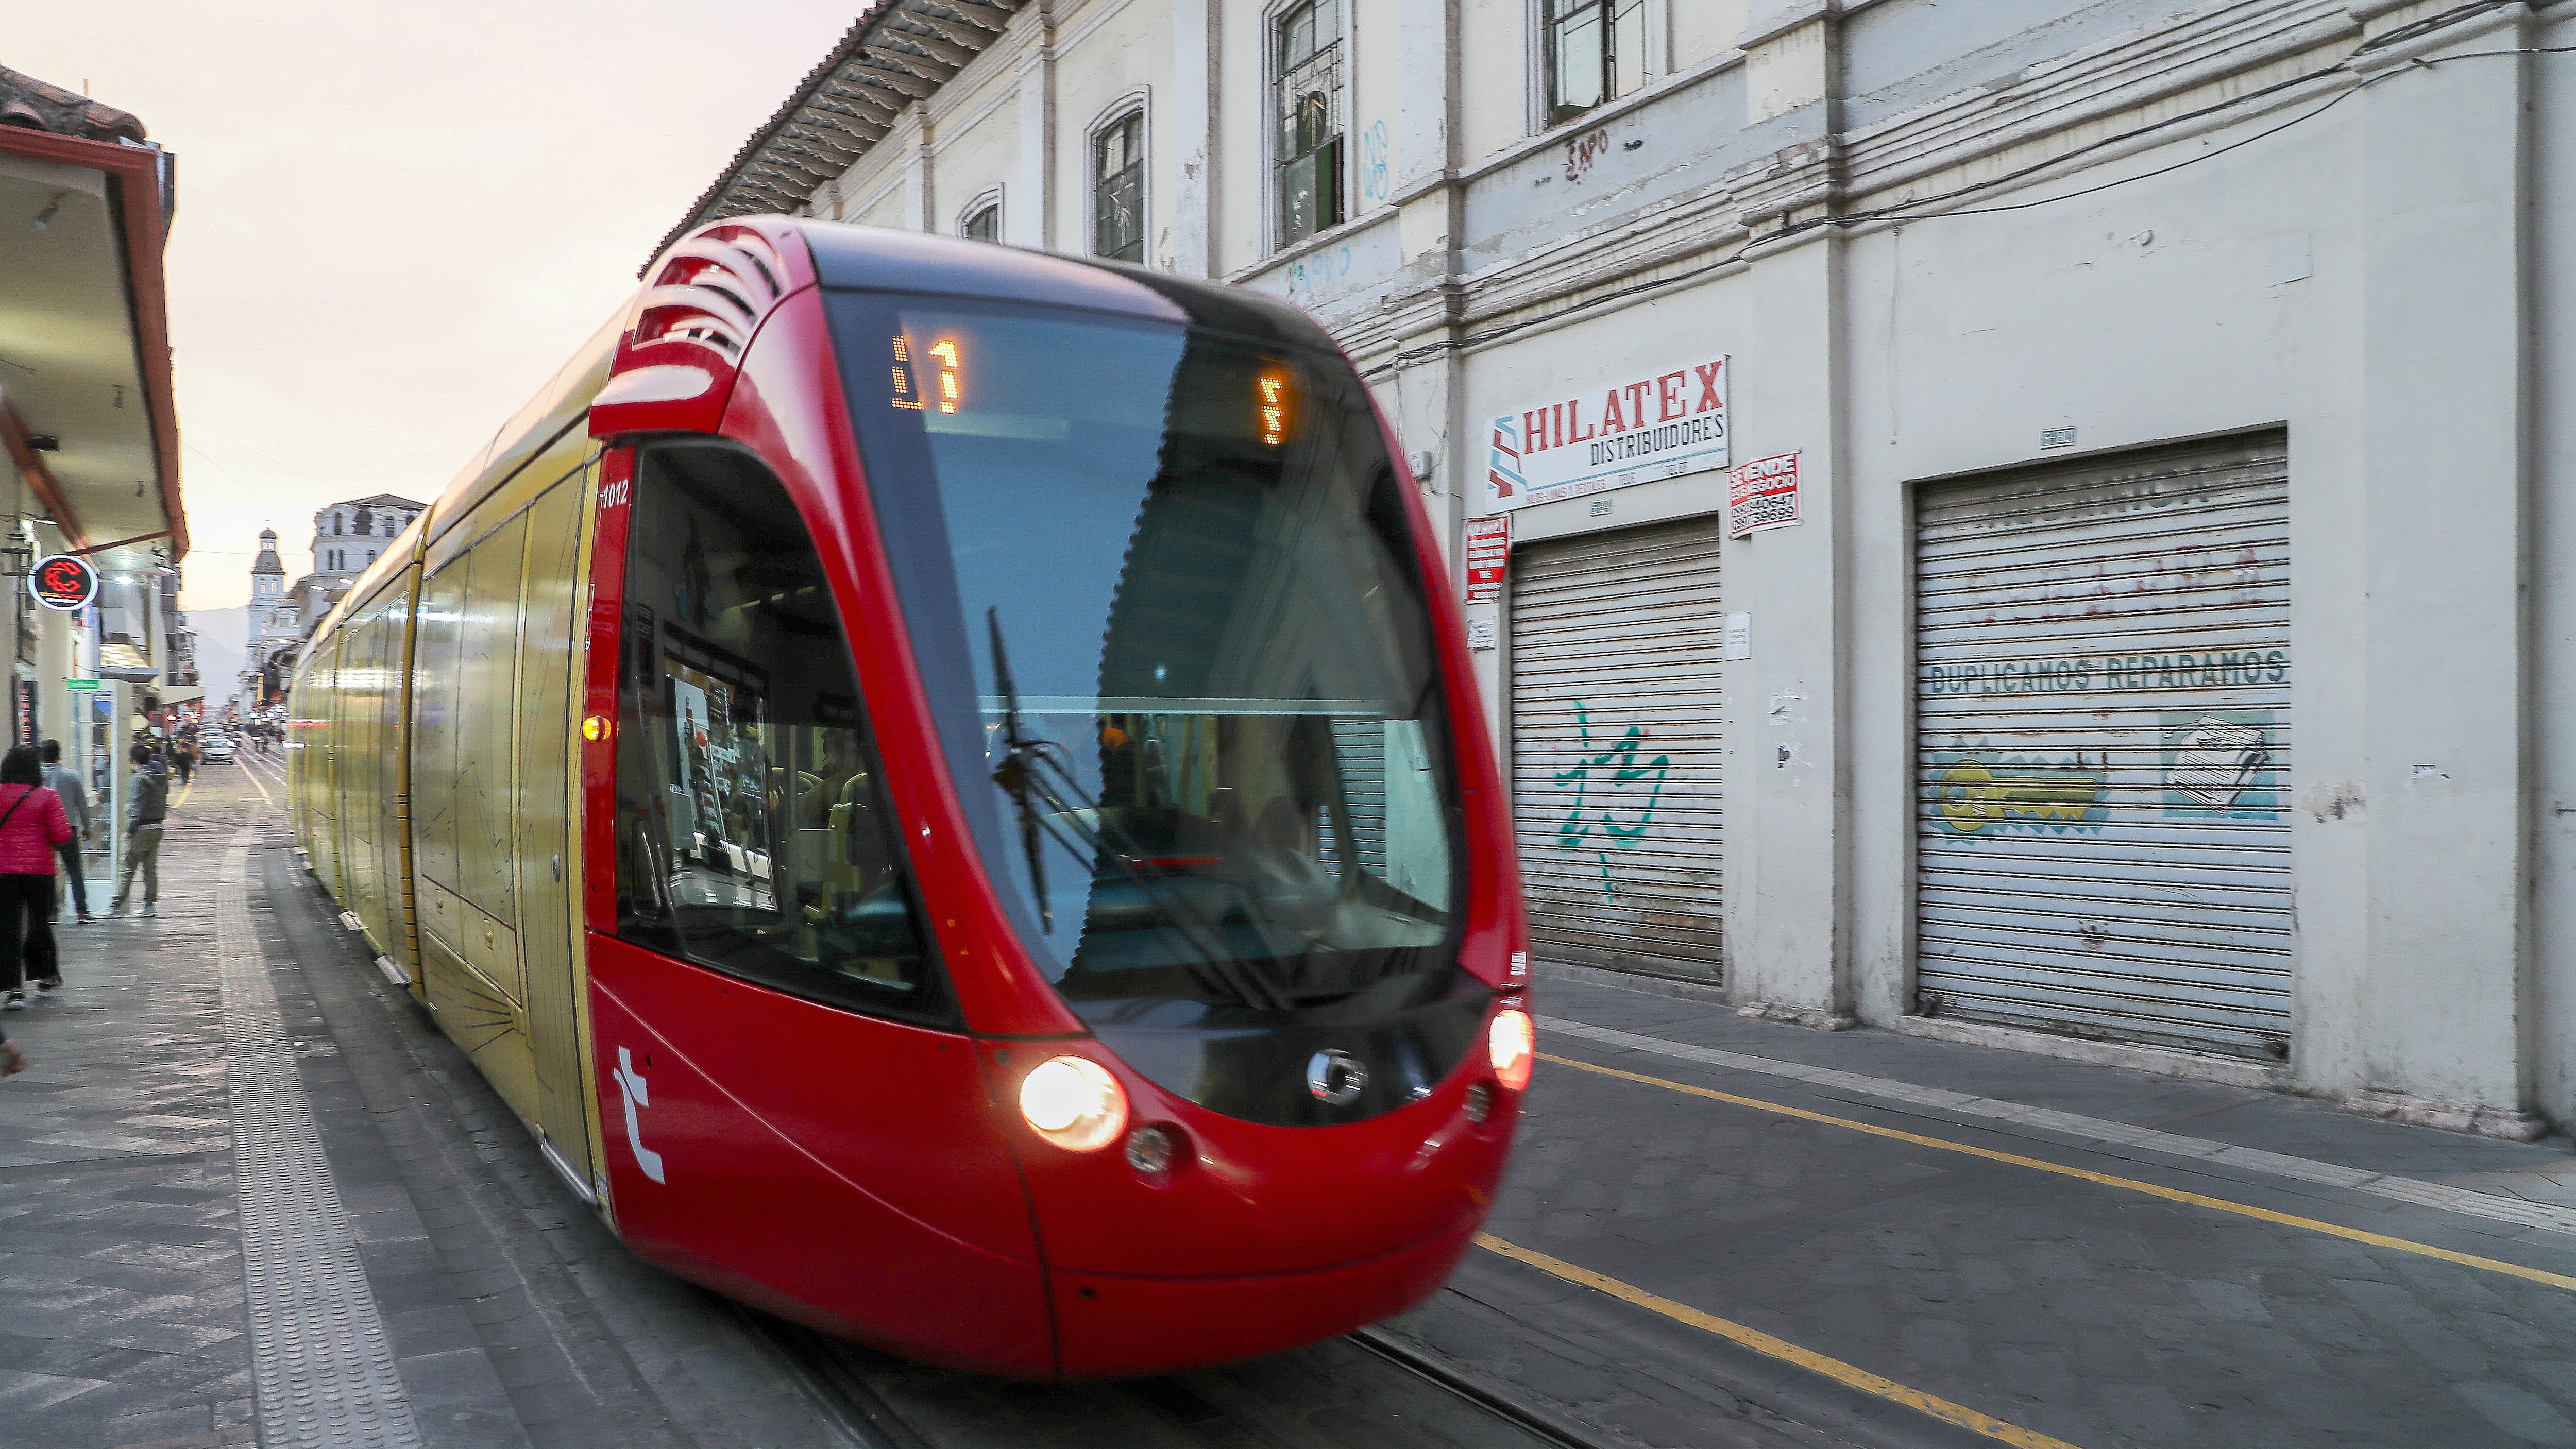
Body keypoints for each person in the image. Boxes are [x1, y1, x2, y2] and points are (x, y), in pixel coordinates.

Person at [0, 745, 71, 1011]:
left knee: (7, 928)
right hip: (39, 872)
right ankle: (46, 977)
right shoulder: (47, 797)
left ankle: (14, 990)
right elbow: (62, 836)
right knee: (38, 924)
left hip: (3, 871)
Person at [109, 744, 167, 919]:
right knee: (150, 869)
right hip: (157, 827)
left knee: (127, 868)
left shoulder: (139, 778)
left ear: (132, 760)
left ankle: (116, 905)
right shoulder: (160, 777)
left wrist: (129, 829)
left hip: (140, 829)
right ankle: (149, 905)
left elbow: (136, 806)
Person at [38, 741, 92, 924]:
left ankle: (52, 913)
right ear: (59, 755)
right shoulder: (72, 776)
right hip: (68, 828)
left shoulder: (35, 778)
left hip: (43, 830)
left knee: (48, 871)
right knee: (75, 870)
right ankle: (82, 911)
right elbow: (82, 806)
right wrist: (88, 827)